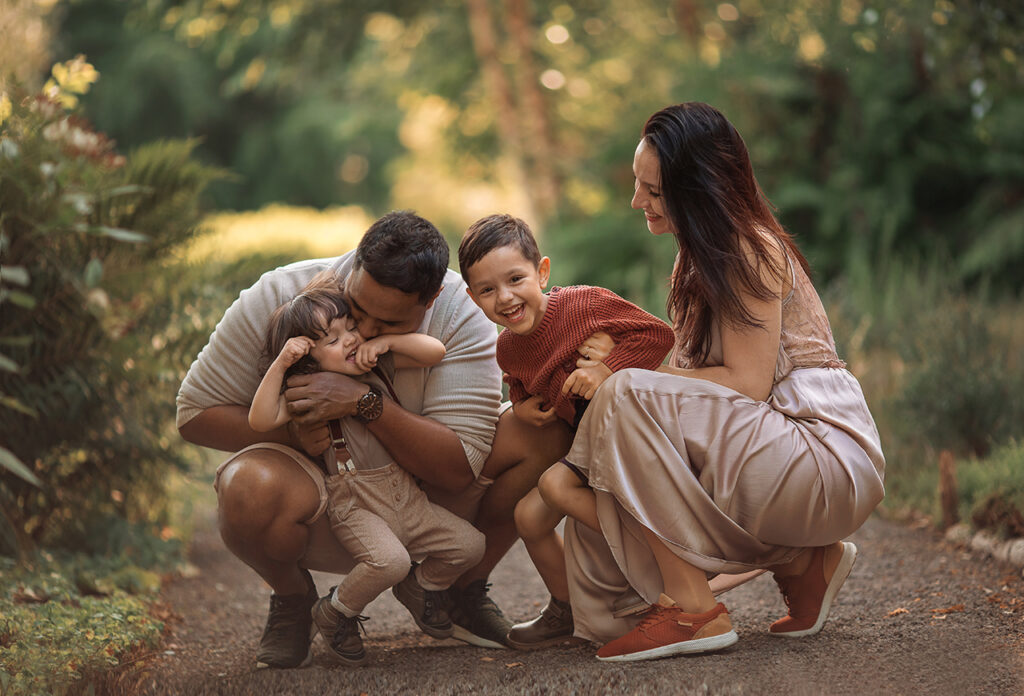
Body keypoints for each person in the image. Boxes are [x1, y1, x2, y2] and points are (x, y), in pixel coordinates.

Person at [546, 102, 885, 662]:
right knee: (606, 596)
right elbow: (690, 390)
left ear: (699, 187)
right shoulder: (695, 259)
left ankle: (693, 610)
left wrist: (622, 384)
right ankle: (802, 564)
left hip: (823, 452)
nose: (637, 202)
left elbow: (746, 383)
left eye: (653, 192)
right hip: (775, 449)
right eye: (638, 186)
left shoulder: (747, 248)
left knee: (625, 398)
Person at [176, 211, 513, 668]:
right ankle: (294, 599)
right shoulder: (282, 296)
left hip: (421, 497)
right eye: (358, 311)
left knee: (534, 434)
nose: (366, 333)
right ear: (352, 267)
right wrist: (297, 427)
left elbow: (458, 470)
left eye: (388, 322)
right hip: (332, 496)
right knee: (248, 485)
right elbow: (194, 415)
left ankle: (456, 591)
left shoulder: (460, 313)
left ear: (430, 300)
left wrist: (362, 402)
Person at [457, 213, 675, 649]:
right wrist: (521, 409)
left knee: (592, 508)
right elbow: (519, 384)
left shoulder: (585, 305)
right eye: (487, 290)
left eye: (516, 279)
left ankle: (675, 576)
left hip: (633, 437)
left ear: (542, 272)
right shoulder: (507, 348)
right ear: (472, 297)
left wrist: (607, 366)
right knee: (529, 516)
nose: (505, 297)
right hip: (584, 448)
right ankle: (568, 608)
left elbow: (658, 335)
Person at [247, 270, 484, 665]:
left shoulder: (375, 365)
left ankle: (419, 587)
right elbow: (259, 419)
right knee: (390, 562)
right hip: (355, 502)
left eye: (350, 327)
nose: (352, 339)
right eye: (334, 340)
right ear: (308, 359)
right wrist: (282, 362)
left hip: (406, 496)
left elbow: (435, 352)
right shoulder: (306, 391)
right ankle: (335, 611)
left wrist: (387, 341)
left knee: (470, 546)